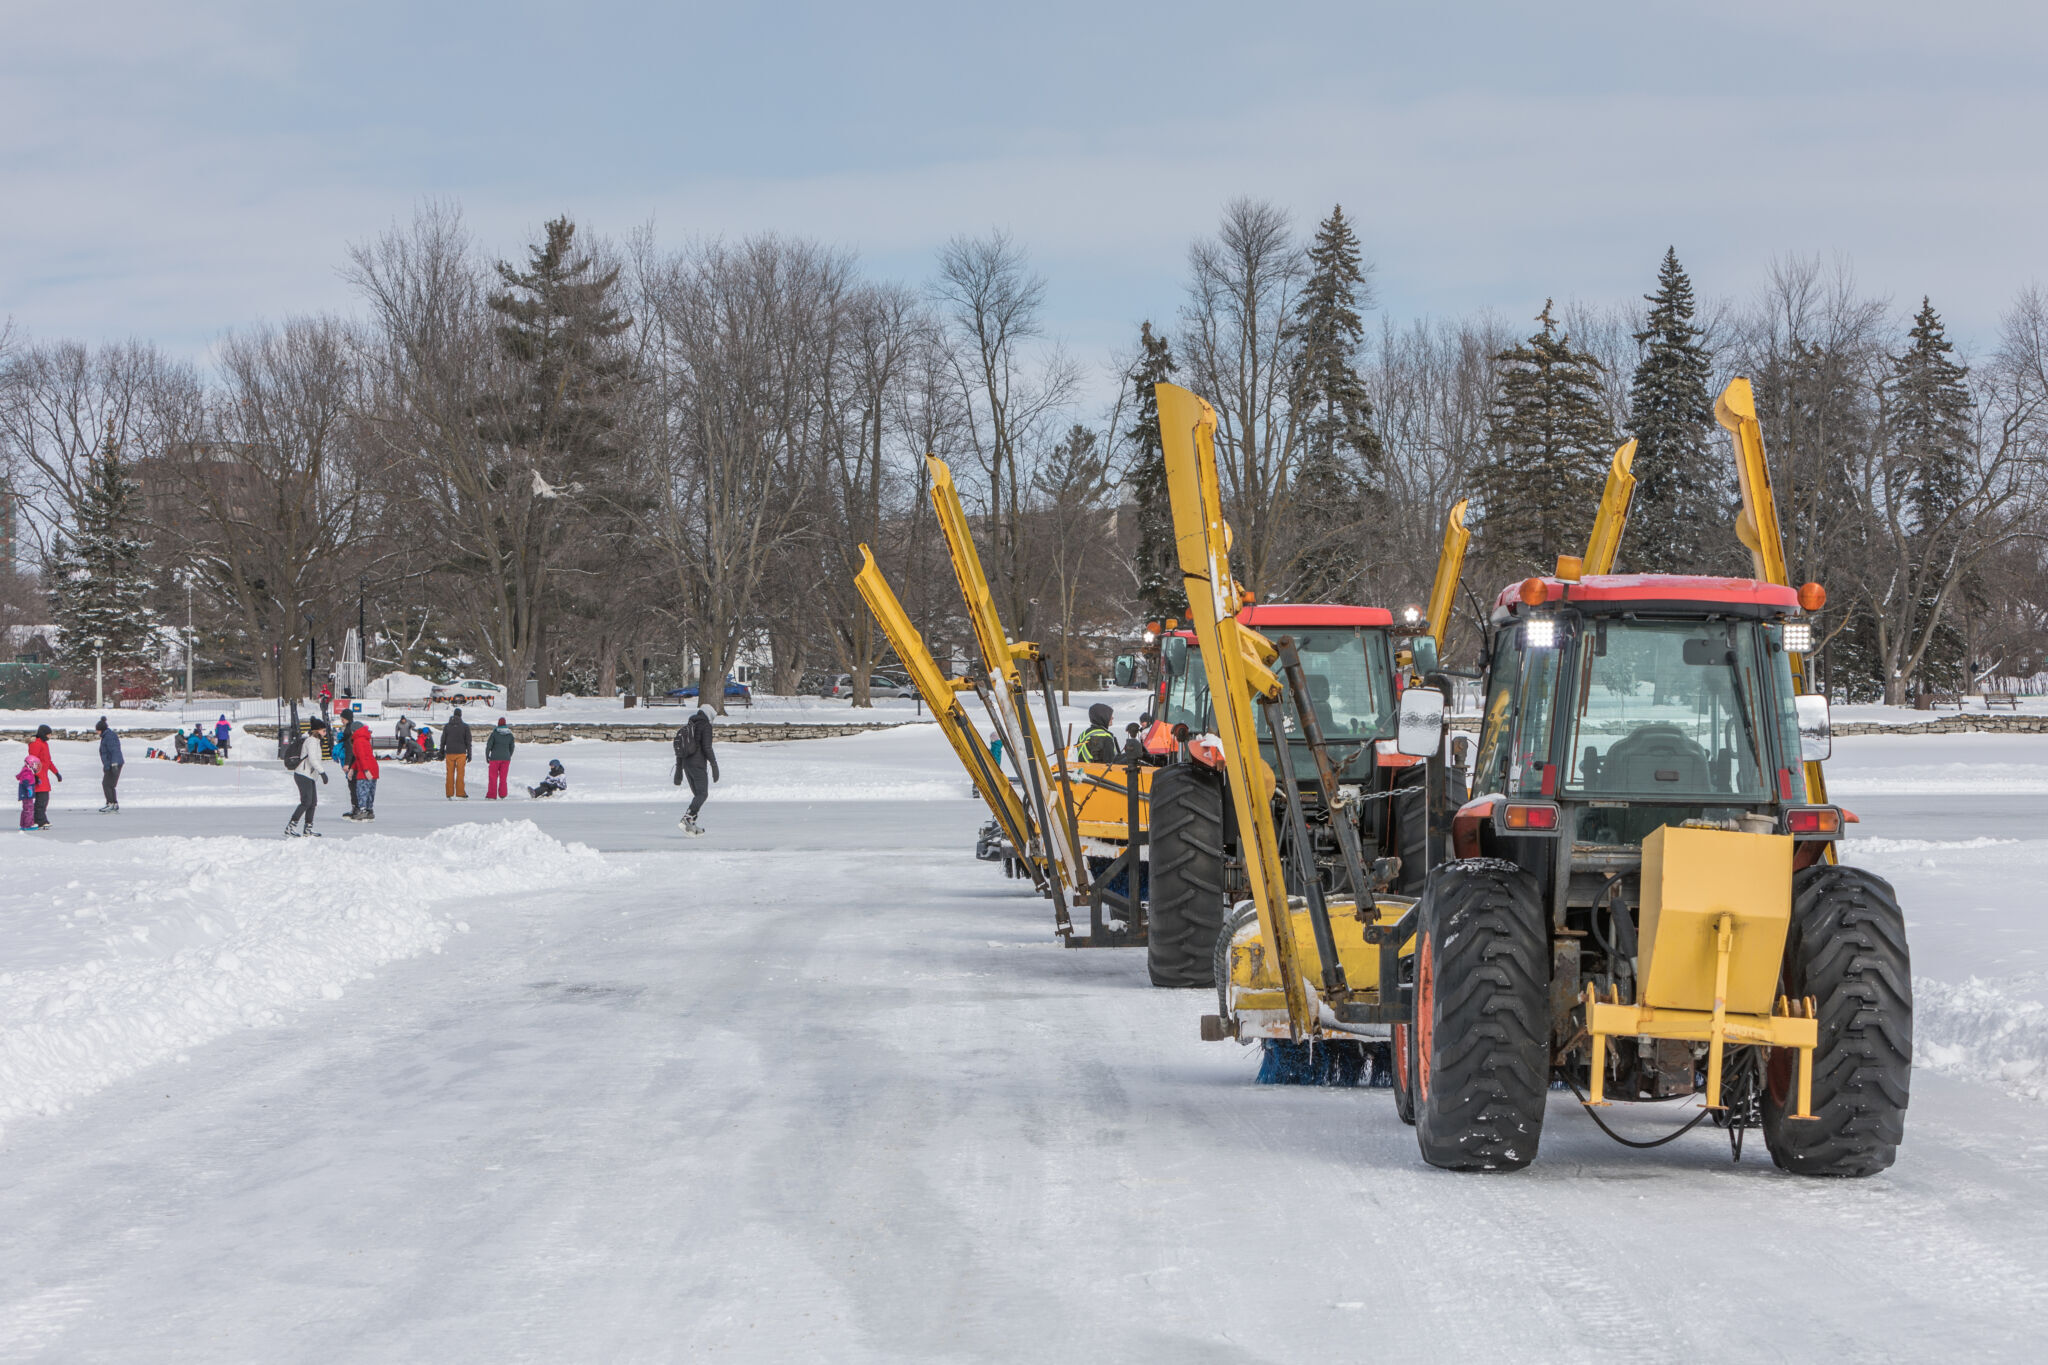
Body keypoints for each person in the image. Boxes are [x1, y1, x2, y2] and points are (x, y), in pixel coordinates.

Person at [673, 703, 719, 835]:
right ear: (709, 715)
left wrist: (679, 771)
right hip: (698, 765)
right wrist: (714, 765)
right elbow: (707, 748)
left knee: (698, 795)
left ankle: (691, 822)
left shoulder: (689, 726)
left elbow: (681, 751)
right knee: (702, 794)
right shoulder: (705, 726)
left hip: (687, 765)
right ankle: (687, 818)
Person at [286, 716, 329, 837]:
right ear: (317, 730)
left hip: (309, 776)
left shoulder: (316, 742)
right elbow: (312, 759)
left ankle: (308, 829)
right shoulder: (310, 741)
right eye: (323, 731)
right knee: (306, 802)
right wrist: (322, 773)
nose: (325, 733)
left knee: (313, 802)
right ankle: (290, 827)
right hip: (302, 774)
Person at [345, 714, 380, 821]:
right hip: (372, 768)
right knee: (370, 790)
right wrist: (352, 769)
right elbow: (359, 758)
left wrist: (365, 770)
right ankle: (369, 810)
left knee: (362, 790)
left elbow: (361, 757)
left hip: (366, 769)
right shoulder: (365, 738)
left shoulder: (358, 740)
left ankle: (363, 810)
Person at [28, 723, 60, 828]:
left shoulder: (44, 744)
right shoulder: (36, 744)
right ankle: (40, 820)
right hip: (38, 776)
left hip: (44, 776)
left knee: (44, 799)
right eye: (48, 734)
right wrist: (35, 775)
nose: (50, 736)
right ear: (43, 734)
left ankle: (40, 819)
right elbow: (32, 760)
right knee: (41, 800)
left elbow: (48, 761)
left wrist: (56, 773)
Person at [442, 707, 473, 799]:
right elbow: (468, 741)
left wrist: (441, 751)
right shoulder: (465, 727)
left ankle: (449, 792)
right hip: (461, 753)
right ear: (461, 715)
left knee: (450, 773)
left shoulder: (447, 726)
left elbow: (443, 740)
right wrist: (469, 753)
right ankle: (460, 793)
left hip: (449, 752)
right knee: (460, 773)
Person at [96, 716, 124, 812]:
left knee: (106, 784)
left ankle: (110, 803)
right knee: (110, 784)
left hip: (114, 764)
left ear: (101, 730)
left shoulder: (109, 736)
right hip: (111, 764)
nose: (97, 732)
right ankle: (114, 803)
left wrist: (114, 764)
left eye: (98, 730)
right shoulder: (106, 736)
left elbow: (114, 750)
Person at [484, 716, 515, 799]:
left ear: (498, 724)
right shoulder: (510, 735)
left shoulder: (494, 734)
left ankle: (492, 795)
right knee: (503, 777)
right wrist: (509, 755)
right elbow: (512, 747)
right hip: (506, 758)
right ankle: (503, 794)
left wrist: (487, 756)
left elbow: (489, 746)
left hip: (494, 758)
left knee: (493, 777)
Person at [17, 754, 39, 832]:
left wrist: (36, 782)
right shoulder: (27, 771)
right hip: (26, 795)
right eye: (35, 764)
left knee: (26, 809)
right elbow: (25, 781)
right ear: (30, 764)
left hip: (26, 795)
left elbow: (29, 780)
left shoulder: (28, 771)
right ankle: (28, 825)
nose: (36, 767)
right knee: (29, 809)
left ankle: (23, 824)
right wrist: (29, 788)